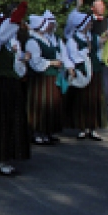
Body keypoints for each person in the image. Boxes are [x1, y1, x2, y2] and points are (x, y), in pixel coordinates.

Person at [0, 5, 30, 175]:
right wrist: (13, 21)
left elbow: (18, 66)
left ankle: (5, 156)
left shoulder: (14, 42)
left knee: (11, 122)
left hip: (12, 86)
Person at [25, 12, 70, 145]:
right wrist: (51, 63)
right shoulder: (32, 41)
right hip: (41, 79)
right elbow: (36, 62)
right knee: (40, 105)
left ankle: (47, 131)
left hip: (51, 76)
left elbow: (58, 53)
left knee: (50, 105)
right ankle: (37, 132)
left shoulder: (47, 39)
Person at [65, 10, 105, 140]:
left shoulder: (92, 36)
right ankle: (82, 127)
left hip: (95, 71)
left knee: (94, 99)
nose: (91, 24)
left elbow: (99, 50)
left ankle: (93, 127)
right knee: (83, 100)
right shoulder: (73, 39)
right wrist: (86, 51)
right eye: (88, 22)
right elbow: (74, 56)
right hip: (83, 72)